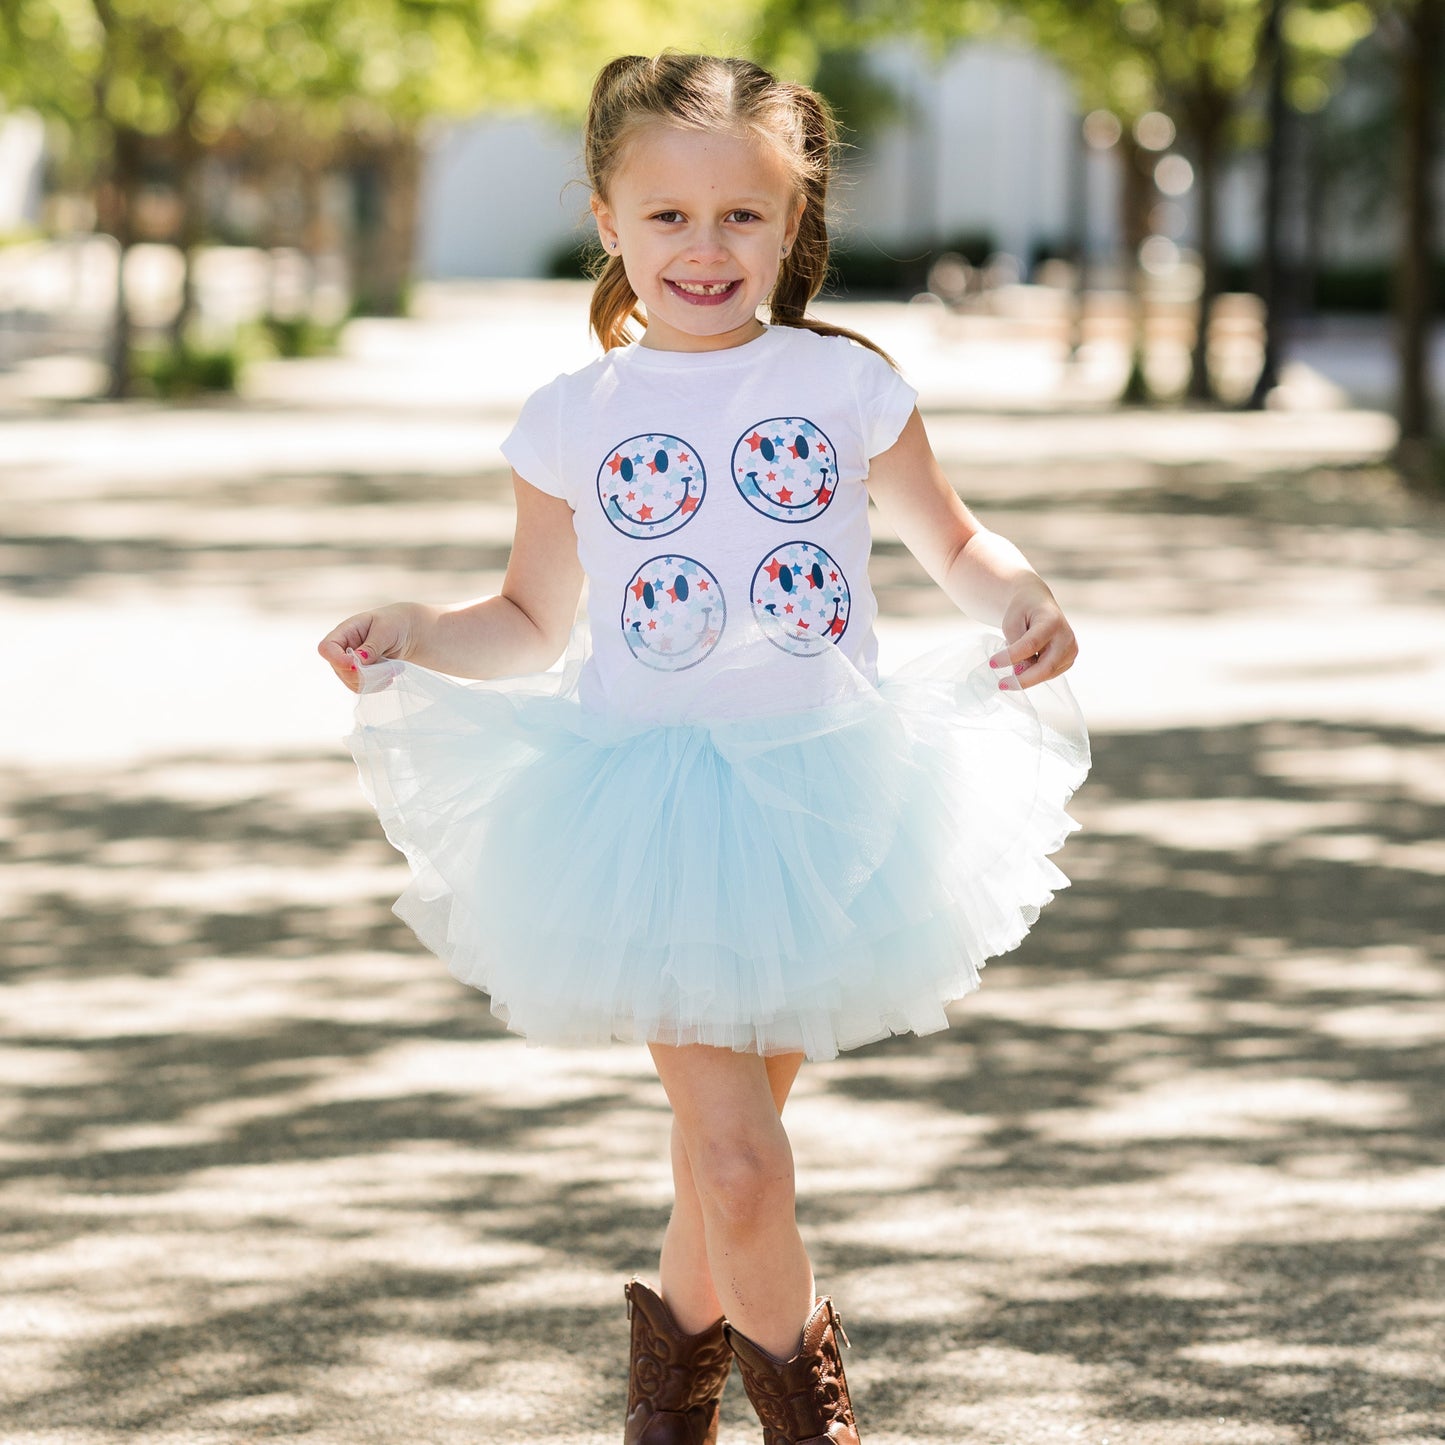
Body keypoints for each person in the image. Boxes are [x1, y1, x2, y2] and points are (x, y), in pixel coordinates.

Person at [318, 51, 1089, 1445]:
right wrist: (418, 628)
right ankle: (814, 1423)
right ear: (607, 219)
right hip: (654, 813)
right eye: (665, 215)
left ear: (792, 225)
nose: (704, 246)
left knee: (720, 1169)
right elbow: (529, 617)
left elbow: (956, 543)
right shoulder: (572, 417)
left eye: (742, 214)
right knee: (738, 1161)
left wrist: (1018, 593)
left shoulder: (849, 386)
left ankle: (665, 1413)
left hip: (831, 799)